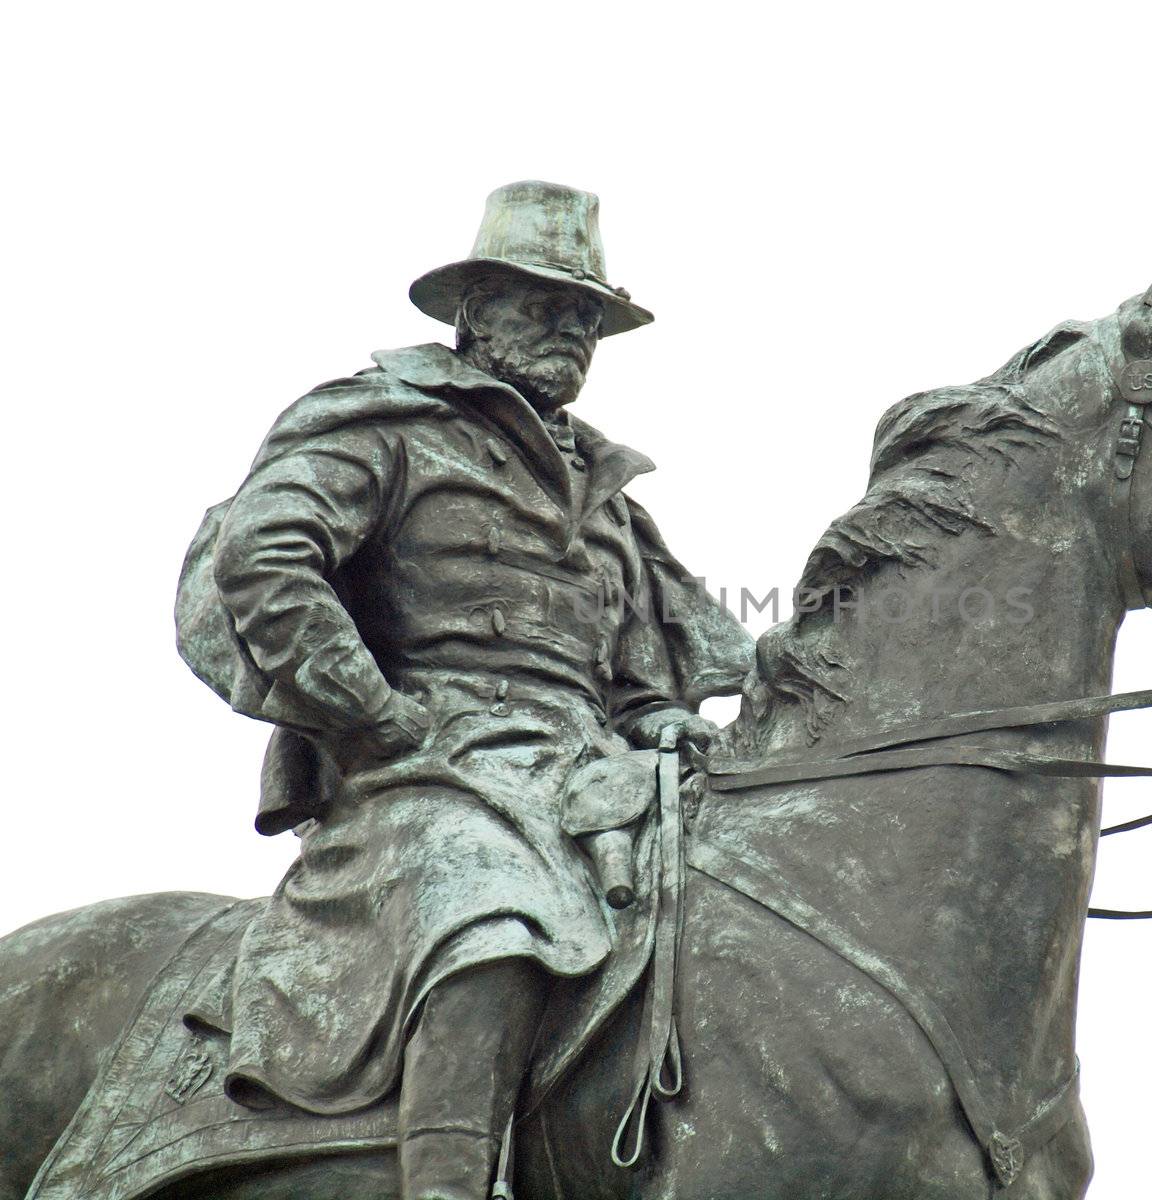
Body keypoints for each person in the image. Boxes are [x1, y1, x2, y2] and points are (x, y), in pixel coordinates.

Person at [175, 180, 752, 1200]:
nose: (572, 330)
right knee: (491, 908)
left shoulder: (605, 494)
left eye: (588, 316)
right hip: (431, 776)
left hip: (594, 780)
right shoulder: (385, 424)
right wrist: (374, 711)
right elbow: (265, 558)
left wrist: (660, 719)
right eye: (545, 305)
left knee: (741, 901)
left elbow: (635, 681)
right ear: (474, 309)